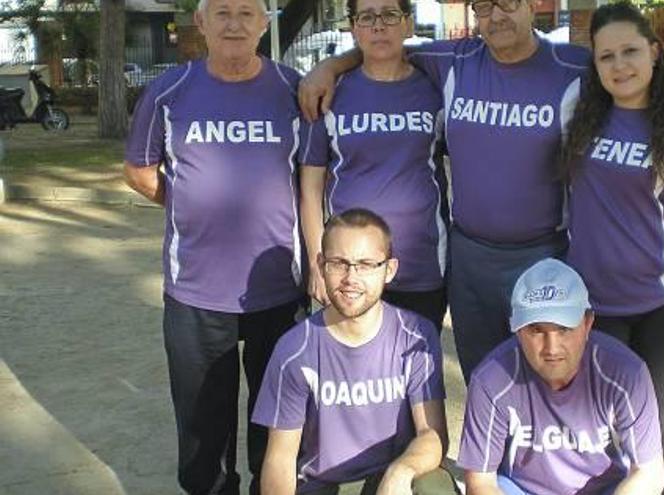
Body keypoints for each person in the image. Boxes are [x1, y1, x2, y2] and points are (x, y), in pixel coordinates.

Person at [298, 0, 664, 382]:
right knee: (483, 378)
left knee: (548, 382)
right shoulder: (453, 60)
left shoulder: (573, 65)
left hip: (544, 255)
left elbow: (634, 75)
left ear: (531, 6)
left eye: (507, 3)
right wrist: (330, 67)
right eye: (483, 7)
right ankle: (488, 471)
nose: (496, 15)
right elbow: (385, 45)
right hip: (470, 261)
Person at [123, 0, 308, 492]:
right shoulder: (169, 92)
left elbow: (314, 177)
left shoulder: (294, 89)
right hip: (195, 294)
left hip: (280, 287)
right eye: (221, 12)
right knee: (204, 423)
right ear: (200, 23)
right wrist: (191, 204)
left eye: (247, 13)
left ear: (264, 24)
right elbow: (140, 173)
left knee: (276, 418)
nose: (234, 23)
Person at [560, 3, 664, 494]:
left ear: (655, 51)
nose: (620, 65)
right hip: (596, 307)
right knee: (609, 433)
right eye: (606, 56)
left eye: (631, 51)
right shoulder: (581, 116)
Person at [254, 208, 458, 494]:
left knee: (432, 486)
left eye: (366, 264)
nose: (351, 277)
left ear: (389, 269)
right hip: (322, 485)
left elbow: (432, 435)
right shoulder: (294, 350)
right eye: (339, 263)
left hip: (385, 481)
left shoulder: (416, 336)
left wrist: (401, 471)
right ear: (321, 264)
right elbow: (280, 458)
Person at [299, 0, 448, 333]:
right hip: (349, 268)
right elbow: (310, 188)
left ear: (408, 25)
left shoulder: (435, 91)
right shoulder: (328, 93)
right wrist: (316, 262)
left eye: (390, 15)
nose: (378, 26)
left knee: (417, 373)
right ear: (353, 28)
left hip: (421, 265)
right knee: (351, 375)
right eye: (366, 17)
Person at [458, 258, 664, 495]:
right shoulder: (490, 380)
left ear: (587, 324)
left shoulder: (627, 374)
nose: (551, 348)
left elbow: (650, 473)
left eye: (564, 329)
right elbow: (481, 481)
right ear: (516, 329)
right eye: (536, 331)